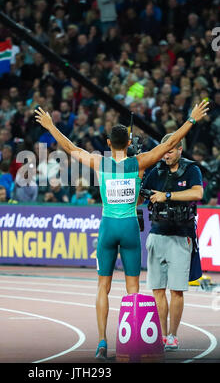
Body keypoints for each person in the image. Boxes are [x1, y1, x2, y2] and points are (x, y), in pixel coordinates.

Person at [34, 100, 209, 360]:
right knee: (133, 290)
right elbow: (169, 144)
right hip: (129, 228)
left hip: (107, 227)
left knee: (102, 287)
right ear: (129, 143)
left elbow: (70, 147)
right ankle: (132, 338)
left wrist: (50, 126)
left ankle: (102, 341)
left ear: (108, 144)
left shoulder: (98, 162)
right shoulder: (138, 163)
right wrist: (192, 119)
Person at [140, 132, 205, 350]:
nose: (165, 154)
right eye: (163, 150)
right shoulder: (156, 170)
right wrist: (138, 177)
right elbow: (140, 198)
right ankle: (160, 335)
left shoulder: (191, 169)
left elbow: (197, 193)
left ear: (179, 149)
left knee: (177, 290)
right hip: (157, 234)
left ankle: (172, 335)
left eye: (169, 150)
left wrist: (167, 196)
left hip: (181, 236)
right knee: (158, 289)